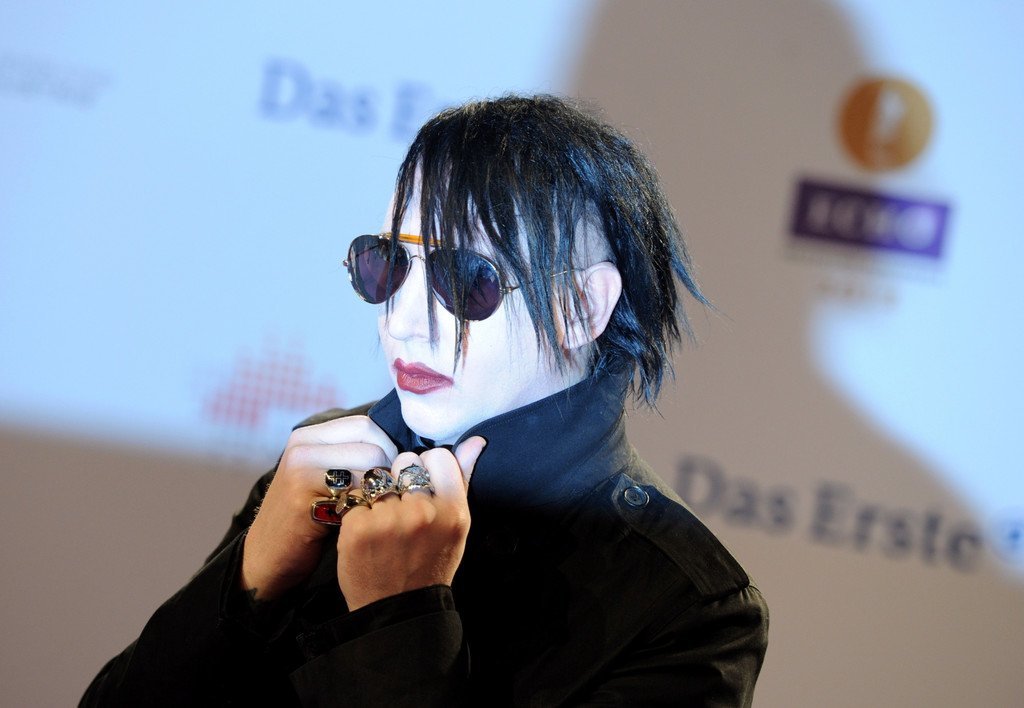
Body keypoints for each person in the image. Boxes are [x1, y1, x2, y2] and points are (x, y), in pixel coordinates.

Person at [82, 94, 768, 706]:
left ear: (581, 307)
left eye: (467, 279)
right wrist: (253, 572)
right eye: (387, 264)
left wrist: (395, 619)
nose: (402, 322)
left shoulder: (687, 609)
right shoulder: (330, 462)